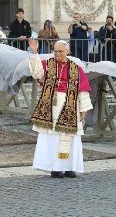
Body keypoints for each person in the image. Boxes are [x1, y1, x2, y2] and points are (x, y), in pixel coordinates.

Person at [27, 39, 92, 178]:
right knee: (52, 139)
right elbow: (36, 73)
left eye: (60, 51)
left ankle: (69, 167)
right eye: (55, 51)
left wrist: (84, 109)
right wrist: (33, 53)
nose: (57, 53)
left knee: (71, 139)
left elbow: (83, 90)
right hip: (51, 107)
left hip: (71, 106)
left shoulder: (76, 68)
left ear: (67, 52)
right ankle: (55, 168)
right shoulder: (47, 64)